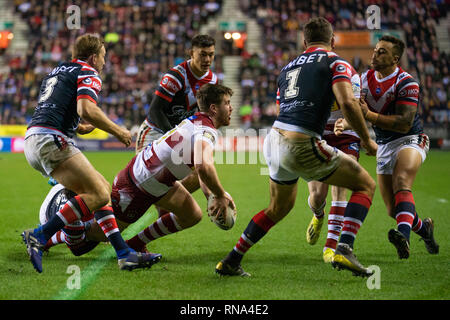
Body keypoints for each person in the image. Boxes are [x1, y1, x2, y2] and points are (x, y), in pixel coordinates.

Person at [215, 17, 378, 278]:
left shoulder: (287, 68)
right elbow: (348, 103)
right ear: (333, 41)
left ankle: (232, 259)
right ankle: (344, 248)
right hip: (302, 141)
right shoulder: (336, 62)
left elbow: (281, 109)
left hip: (273, 139)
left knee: (277, 209)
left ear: (304, 42)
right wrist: (367, 140)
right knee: (365, 185)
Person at [43, 84, 236, 259]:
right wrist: (219, 194)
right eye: (227, 103)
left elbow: (199, 169)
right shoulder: (206, 131)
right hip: (137, 185)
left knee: (192, 214)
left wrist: (212, 195)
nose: (231, 108)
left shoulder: (197, 122)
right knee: (93, 236)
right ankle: (49, 236)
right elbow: (204, 166)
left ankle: (135, 243)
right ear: (213, 108)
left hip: (157, 181)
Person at [21, 34, 159, 273]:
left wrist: (78, 127)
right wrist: (117, 130)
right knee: (99, 193)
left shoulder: (57, 71)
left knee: (100, 190)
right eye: (104, 57)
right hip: (51, 140)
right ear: (94, 57)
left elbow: (54, 106)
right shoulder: (88, 71)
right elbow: (86, 108)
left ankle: (124, 254)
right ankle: (40, 235)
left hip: (33, 139)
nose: (104, 63)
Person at [335, 35, 439, 259]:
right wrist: (344, 122)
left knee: (402, 182)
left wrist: (369, 115)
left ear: (395, 58)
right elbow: (355, 112)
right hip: (383, 144)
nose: (374, 54)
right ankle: (424, 229)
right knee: (393, 210)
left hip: (410, 139)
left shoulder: (407, 82)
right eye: (375, 50)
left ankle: (404, 237)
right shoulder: (363, 79)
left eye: (382, 52)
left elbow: (404, 123)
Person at [135, 34, 218, 216]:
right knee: (140, 190)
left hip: (178, 135)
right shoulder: (176, 76)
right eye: (202, 54)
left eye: (211, 55)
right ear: (191, 53)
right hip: (154, 132)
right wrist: (175, 139)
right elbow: (155, 111)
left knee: (200, 172)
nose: (207, 60)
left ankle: (161, 208)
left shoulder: (212, 81)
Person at [305, 66, 362, 263]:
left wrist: (346, 123)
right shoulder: (308, 72)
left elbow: (354, 105)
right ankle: (318, 215)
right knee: (318, 196)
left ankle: (330, 247)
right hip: (318, 133)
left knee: (340, 189)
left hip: (345, 134)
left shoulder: (350, 74)